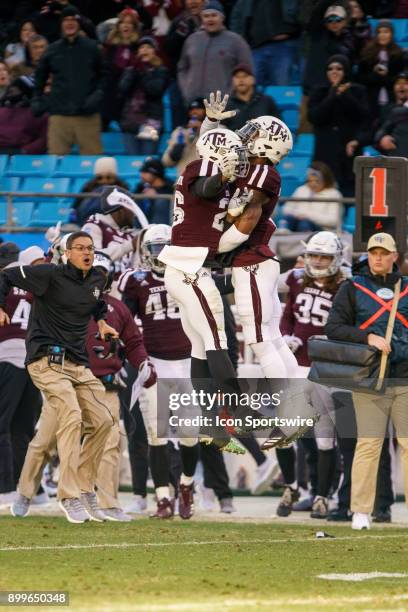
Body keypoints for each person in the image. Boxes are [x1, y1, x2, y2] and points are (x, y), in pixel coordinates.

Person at [12, 252, 157, 522]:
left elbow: (134, 342)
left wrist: (144, 363)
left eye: (100, 275)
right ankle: (25, 492)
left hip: (104, 383)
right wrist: (54, 263)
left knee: (110, 445)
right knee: (44, 441)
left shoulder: (118, 309)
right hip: (64, 375)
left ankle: (106, 501)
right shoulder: (61, 297)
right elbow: (34, 294)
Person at [0, 231, 118, 524]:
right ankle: (67, 496)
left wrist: (102, 322)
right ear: (66, 252)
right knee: (68, 419)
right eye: (79, 248)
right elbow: (5, 276)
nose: (86, 252)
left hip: (77, 365)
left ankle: (79, 488)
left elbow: (97, 301)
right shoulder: (48, 274)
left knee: (103, 421)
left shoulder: (96, 279)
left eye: (89, 248)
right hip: (46, 361)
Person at [326, 232, 408, 530]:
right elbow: (333, 327)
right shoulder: (352, 287)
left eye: (384, 252)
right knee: (368, 445)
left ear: (394, 256)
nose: (377, 257)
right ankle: (360, 510)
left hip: (404, 378)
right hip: (369, 379)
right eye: (373, 252)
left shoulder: (406, 287)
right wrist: (367, 337)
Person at [118, 225, 200, 519]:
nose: (161, 254)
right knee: (156, 434)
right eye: (156, 249)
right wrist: (137, 359)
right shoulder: (136, 280)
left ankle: (187, 485)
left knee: (191, 435)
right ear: (146, 252)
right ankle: (163, 497)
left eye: (166, 247)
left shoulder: (192, 276)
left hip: (188, 363)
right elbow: (125, 324)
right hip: (154, 362)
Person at [278, 232, 349, 518]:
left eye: (324, 257)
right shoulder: (295, 278)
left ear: (336, 259)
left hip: (326, 368)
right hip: (297, 366)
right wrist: (285, 336)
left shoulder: (346, 286)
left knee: (324, 437)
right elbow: (285, 317)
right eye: (314, 255)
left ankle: (321, 495)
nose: (318, 262)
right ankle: (293, 486)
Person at [0, 244, 45, 507]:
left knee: (2, 426)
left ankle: (5, 488)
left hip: (6, 355)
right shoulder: (34, 284)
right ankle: (32, 490)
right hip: (33, 359)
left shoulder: (4, 280)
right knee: (24, 429)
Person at [32, 4, 107, 155]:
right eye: (66, 20)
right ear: (61, 24)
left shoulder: (92, 48)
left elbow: (105, 75)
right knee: (55, 162)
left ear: (79, 24)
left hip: (87, 116)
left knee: (92, 163)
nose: (70, 23)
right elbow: (39, 78)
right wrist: (37, 99)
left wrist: (97, 95)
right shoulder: (52, 50)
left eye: (73, 19)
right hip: (59, 117)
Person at [308, 54, 369, 196]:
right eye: (330, 69)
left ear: (346, 71)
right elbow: (314, 117)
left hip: (349, 154)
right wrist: (332, 94)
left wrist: (346, 95)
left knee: (349, 196)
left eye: (339, 68)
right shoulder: (319, 92)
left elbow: (363, 115)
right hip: (325, 155)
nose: (334, 72)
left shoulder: (358, 91)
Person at [177, 0, 253, 106]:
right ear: (202, 19)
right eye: (206, 16)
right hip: (193, 104)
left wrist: (229, 96)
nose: (210, 19)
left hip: (224, 106)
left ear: (222, 18)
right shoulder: (192, 40)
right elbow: (182, 68)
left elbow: (248, 71)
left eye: (214, 15)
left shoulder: (236, 41)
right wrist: (186, 90)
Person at [229, 0, 301, 87]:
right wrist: (241, 42)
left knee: (282, 89)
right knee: (251, 89)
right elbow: (237, 17)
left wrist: (291, 29)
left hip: (283, 46)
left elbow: (302, 11)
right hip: (255, 48)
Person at [81, 185, 148, 277]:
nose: (134, 214)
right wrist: (130, 245)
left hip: (125, 288)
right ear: (120, 211)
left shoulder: (131, 234)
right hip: (101, 287)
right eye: (130, 209)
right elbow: (90, 258)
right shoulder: (94, 226)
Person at [118, 36, 169, 155]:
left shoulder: (161, 71)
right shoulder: (131, 69)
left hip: (151, 122)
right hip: (130, 122)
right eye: (142, 47)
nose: (145, 50)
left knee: (147, 159)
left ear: (155, 52)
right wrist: (133, 71)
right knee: (131, 162)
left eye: (148, 47)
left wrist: (143, 72)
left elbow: (155, 90)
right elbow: (122, 89)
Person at [356, 19, 405, 122]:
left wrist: (385, 76)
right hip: (370, 100)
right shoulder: (367, 53)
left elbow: (401, 79)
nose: (382, 35)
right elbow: (359, 78)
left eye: (386, 32)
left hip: (391, 100)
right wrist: (374, 75)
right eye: (379, 32)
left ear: (391, 34)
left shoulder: (399, 54)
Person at [102, 8, 141, 127]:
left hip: (129, 101)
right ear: (119, 26)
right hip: (108, 97)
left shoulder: (139, 47)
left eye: (130, 23)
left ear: (134, 26)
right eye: (123, 22)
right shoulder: (110, 46)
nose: (126, 26)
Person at [279, 162, 343, 232]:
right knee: (287, 219)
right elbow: (286, 209)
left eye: (317, 181)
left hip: (322, 230)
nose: (313, 184)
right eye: (310, 181)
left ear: (325, 180)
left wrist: (307, 215)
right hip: (297, 223)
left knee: (304, 223)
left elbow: (333, 220)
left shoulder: (334, 194)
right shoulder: (301, 190)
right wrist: (297, 214)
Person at [70, 157, 130, 226]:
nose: (104, 181)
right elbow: (76, 208)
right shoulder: (88, 187)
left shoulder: (123, 187)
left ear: (114, 177)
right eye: (100, 178)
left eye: (108, 177)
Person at [223, 64, 281, 132]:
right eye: (237, 77)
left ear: (253, 79)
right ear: (232, 80)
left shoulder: (267, 101)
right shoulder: (227, 104)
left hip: (263, 141)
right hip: (235, 141)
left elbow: (278, 126)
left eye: (245, 76)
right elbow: (221, 129)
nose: (241, 80)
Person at [0, 76, 48, 155]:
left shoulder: (40, 113)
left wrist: (25, 151)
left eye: (16, 88)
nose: (10, 91)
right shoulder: (2, 110)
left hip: (22, 155)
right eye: (11, 87)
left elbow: (44, 139)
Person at [162, 98, 206, 175]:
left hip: (206, 181)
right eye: (191, 109)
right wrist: (173, 155)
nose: (194, 112)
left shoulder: (219, 129)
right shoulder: (180, 131)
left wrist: (202, 129)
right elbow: (166, 162)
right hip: (184, 181)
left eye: (199, 108)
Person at [375, 73, 408, 157]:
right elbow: (380, 132)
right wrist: (382, 140)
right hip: (398, 159)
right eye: (398, 83)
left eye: (406, 83)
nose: (401, 86)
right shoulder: (391, 110)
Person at [134, 157, 175, 225]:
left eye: (145, 171)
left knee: (161, 201)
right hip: (144, 225)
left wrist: (157, 195)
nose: (141, 174)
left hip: (164, 225)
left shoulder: (171, 187)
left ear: (155, 173)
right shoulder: (141, 186)